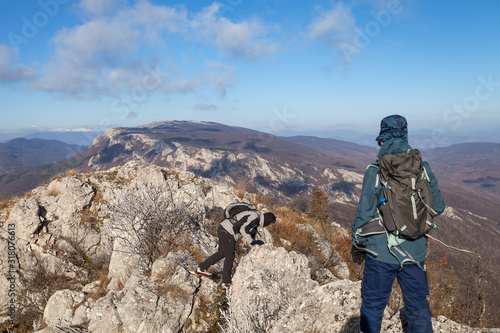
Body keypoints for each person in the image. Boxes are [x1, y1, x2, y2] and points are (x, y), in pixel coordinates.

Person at [351, 115, 445, 333]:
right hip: (415, 253)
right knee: (418, 307)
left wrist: (357, 243)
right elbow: (438, 207)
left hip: (380, 253)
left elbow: (363, 215)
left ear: (382, 141)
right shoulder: (423, 169)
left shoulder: (374, 171)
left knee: (373, 307)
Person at [196, 206, 276, 289]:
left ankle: (202, 268)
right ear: (267, 220)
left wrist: (256, 244)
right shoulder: (254, 217)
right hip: (227, 231)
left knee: (221, 253)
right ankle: (226, 283)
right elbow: (244, 229)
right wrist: (252, 242)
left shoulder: (255, 223)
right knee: (230, 256)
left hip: (224, 229)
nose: (268, 225)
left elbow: (250, 234)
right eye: (269, 223)